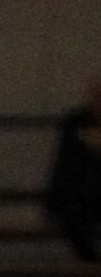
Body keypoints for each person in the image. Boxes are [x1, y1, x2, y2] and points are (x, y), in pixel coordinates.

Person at [41, 76, 101, 267]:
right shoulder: (75, 122)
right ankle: (89, 263)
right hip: (78, 193)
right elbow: (67, 163)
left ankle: (89, 265)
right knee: (72, 213)